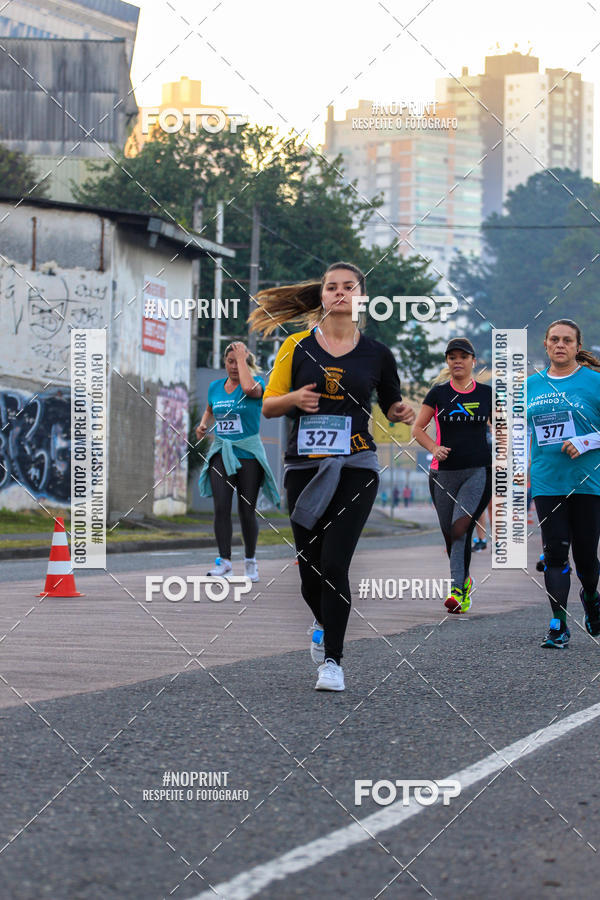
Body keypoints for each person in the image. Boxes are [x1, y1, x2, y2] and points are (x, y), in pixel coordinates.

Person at [250, 261, 415, 691]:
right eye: (331, 287)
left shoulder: (378, 354)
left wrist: (400, 411)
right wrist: (294, 398)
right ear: (321, 296)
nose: (339, 293)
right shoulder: (296, 347)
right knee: (310, 569)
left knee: (335, 562)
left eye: (348, 287)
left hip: (356, 466)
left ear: (362, 297)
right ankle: (323, 621)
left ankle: (333, 662)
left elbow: (392, 405)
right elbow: (269, 407)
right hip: (304, 467)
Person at [527, 319, 600, 649]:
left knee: (585, 555)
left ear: (577, 346)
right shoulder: (530, 385)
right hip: (547, 481)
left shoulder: (594, 382)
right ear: (545, 345)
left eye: (567, 340)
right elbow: (517, 432)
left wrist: (586, 442)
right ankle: (558, 624)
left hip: (588, 482)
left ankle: (592, 596)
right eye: (554, 339)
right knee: (555, 551)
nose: (560, 345)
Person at [412, 338, 492, 614]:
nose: (457, 361)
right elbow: (417, 429)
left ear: (473, 361)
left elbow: (503, 430)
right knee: (451, 535)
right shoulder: (437, 394)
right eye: (452, 357)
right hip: (442, 474)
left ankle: (457, 591)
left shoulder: (487, 394)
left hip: (478, 471)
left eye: (463, 356)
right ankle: (464, 580)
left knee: (460, 527)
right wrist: (434, 447)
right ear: (447, 362)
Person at [196, 341, 279, 581]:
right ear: (224, 362)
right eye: (230, 361)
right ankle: (225, 562)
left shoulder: (257, 383)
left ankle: (250, 563)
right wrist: (203, 424)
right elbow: (211, 409)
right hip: (222, 451)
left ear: (246, 362)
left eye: (238, 361)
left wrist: (244, 360)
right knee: (221, 507)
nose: (233, 366)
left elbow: (248, 389)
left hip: (248, 453)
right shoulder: (215, 387)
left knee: (246, 510)